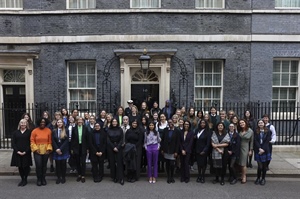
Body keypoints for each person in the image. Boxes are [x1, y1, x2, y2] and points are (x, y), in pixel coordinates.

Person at [30, 117, 53, 186]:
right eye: (41, 122)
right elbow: (32, 141)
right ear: (39, 123)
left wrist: (48, 150)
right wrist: (35, 149)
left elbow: (50, 141)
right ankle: (39, 179)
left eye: (44, 122)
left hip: (46, 150)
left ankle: (43, 178)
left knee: (44, 166)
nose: (42, 123)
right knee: (38, 165)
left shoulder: (48, 130)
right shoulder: (34, 131)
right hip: (37, 150)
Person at [11, 119, 32, 187]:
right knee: (20, 166)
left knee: (25, 166)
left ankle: (25, 179)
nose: (23, 124)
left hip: (26, 152)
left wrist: (26, 151)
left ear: (26, 124)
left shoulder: (29, 132)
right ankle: (22, 179)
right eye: (21, 123)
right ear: (19, 124)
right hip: (18, 152)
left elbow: (30, 143)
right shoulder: (15, 132)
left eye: (24, 123)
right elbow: (13, 143)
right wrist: (17, 151)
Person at [161, 119, 180, 183]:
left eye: (171, 122)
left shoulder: (177, 131)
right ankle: (168, 176)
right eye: (169, 122)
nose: (170, 123)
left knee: (172, 164)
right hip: (166, 150)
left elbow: (178, 142)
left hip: (173, 150)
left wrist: (176, 151)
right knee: (167, 164)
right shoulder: (165, 130)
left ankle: (172, 176)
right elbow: (162, 140)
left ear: (174, 122)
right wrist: (162, 149)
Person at [71, 117, 89, 183]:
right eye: (78, 120)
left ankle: (83, 175)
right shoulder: (74, 128)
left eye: (81, 120)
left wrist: (87, 148)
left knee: (83, 162)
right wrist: (72, 148)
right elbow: (72, 139)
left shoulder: (85, 128)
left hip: (83, 146)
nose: (80, 121)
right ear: (77, 121)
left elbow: (88, 139)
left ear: (83, 121)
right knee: (77, 162)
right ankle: (79, 174)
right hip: (76, 147)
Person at [107, 118, 124, 185]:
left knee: (119, 163)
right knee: (112, 163)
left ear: (117, 122)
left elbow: (122, 139)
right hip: (111, 147)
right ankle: (114, 177)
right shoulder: (109, 129)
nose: (114, 123)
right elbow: (108, 140)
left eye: (115, 121)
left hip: (119, 147)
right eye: (113, 122)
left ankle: (121, 178)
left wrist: (117, 147)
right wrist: (113, 147)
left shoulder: (120, 129)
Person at [254, 120, 272, 186]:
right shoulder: (255, 131)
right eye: (259, 123)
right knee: (259, 166)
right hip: (258, 150)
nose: (260, 124)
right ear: (257, 124)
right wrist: (259, 148)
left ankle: (263, 178)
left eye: (261, 123)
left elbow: (267, 141)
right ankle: (258, 178)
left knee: (264, 166)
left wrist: (263, 149)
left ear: (264, 123)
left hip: (265, 150)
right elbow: (255, 140)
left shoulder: (268, 131)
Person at [52, 119, 69, 184]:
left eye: (60, 122)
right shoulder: (54, 131)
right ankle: (58, 177)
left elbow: (66, 141)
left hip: (63, 149)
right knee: (57, 164)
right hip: (56, 149)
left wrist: (60, 149)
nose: (59, 123)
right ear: (56, 123)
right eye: (58, 122)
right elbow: (53, 140)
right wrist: (57, 149)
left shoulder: (66, 130)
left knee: (63, 164)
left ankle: (63, 177)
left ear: (63, 123)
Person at [237, 119, 254, 184]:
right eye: (240, 123)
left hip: (245, 147)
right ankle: (241, 175)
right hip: (238, 147)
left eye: (242, 122)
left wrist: (250, 150)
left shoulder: (250, 131)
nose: (241, 124)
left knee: (243, 163)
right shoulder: (239, 130)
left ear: (245, 123)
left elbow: (252, 141)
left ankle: (244, 176)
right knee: (240, 162)